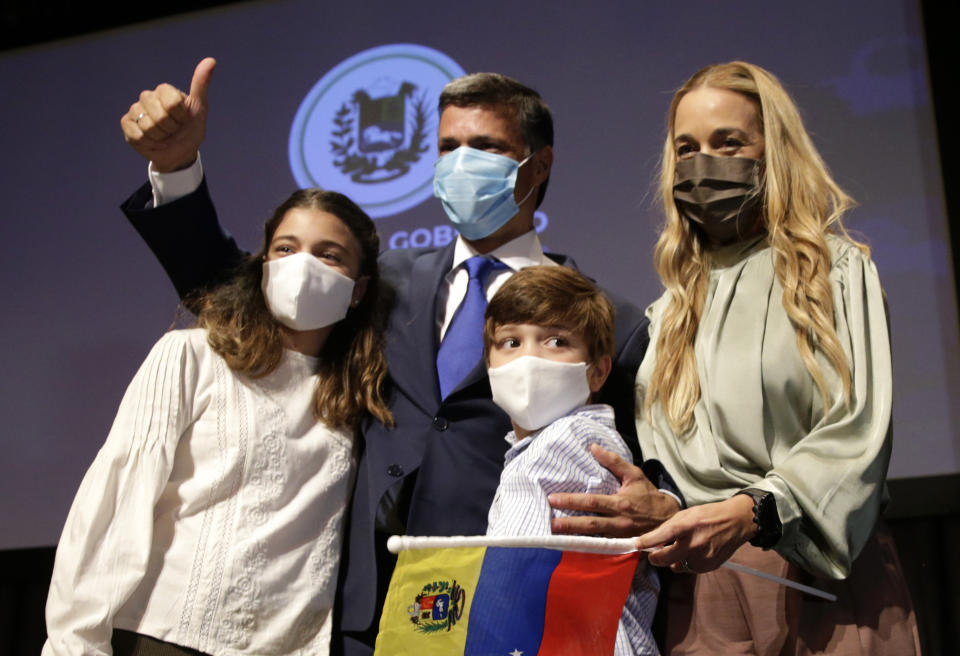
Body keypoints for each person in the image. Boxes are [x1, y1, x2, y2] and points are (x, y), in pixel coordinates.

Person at [119, 58, 681, 655]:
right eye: (448, 147)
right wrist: (177, 169)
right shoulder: (379, 284)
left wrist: (665, 503)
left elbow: (653, 462)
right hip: (364, 606)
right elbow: (234, 294)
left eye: (486, 146)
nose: (461, 162)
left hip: (499, 614)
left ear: (537, 165)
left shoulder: (608, 320)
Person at [632, 61, 920, 654]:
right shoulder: (669, 311)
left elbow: (857, 428)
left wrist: (752, 511)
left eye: (728, 142)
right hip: (704, 596)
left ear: (773, 151)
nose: (702, 164)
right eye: (686, 149)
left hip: (821, 576)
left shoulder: (835, 273)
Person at [43, 189, 391, 656]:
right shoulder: (191, 355)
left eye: (329, 255)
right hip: (168, 640)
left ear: (359, 289)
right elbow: (115, 502)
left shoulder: (358, 395)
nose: (302, 265)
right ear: (263, 263)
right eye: (286, 249)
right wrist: (75, 642)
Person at [484, 266, 680, 656]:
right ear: (488, 367)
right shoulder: (536, 447)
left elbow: (559, 596)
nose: (529, 358)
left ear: (597, 372)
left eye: (556, 341)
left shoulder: (566, 440)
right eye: (510, 342)